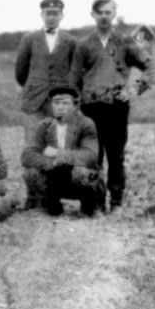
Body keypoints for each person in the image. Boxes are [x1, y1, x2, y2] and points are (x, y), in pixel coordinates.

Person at [70, 0, 155, 212]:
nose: (104, 16)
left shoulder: (125, 41)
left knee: (115, 156)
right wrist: (77, 105)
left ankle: (116, 201)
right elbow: (73, 80)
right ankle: (97, 201)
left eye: (108, 12)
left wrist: (134, 89)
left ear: (114, 14)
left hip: (116, 107)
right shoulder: (83, 44)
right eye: (99, 12)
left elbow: (149, 65)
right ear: (93, 15)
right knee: (93, 156)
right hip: (90, 108)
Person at [21, 86, 105, 216]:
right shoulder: (44, 125)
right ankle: (41, 204)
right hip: (53, 176)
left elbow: (90, 156)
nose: (60, 107)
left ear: (75, 106)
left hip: (74, 177)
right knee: (31, 172)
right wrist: (51, 163)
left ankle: (89, 205)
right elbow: (27, 156)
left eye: (65, 103)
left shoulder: (86, 124)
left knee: (82, 172)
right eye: (56, 103)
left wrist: (58, 154)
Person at [15, 0, 77, 143]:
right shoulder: (29, 38)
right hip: (34, 97)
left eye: (55, 14)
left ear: (62, 16)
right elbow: (20, 69)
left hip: (60, 97)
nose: (51, 17)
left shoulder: (71, 41)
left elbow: (75, 69)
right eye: (48, 13)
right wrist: (31, 85)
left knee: (60, 140)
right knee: (33, 139)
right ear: (42, 15)